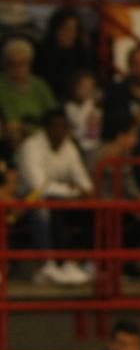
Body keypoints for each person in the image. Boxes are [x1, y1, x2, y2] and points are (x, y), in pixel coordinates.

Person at [18, 110, 95, 285]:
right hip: (27, 200)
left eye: (66, 127)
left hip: (61, 200)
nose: (64, 131)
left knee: (93, 207)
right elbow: (39, 186)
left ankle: (80, 263)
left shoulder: (69, 146)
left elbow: (84, 181)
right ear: (47, 128)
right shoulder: (31, 146)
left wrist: (81, 191)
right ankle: (47, 265)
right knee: (41, 207)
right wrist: (72, 191)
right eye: (59, 127)